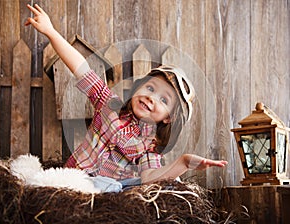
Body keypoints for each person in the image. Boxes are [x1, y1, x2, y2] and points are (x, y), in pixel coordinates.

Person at [25, 4, 228, 187]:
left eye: (163, 100)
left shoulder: (150, 145)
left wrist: (184, 162)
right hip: (74, 180)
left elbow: (150, 177)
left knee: (130, 183)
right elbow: (81, 68)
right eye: (150, 88)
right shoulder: (108, 104)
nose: (151, 97)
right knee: (109, 184)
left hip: (105, 192)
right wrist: (50, 32)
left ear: (168, 118)